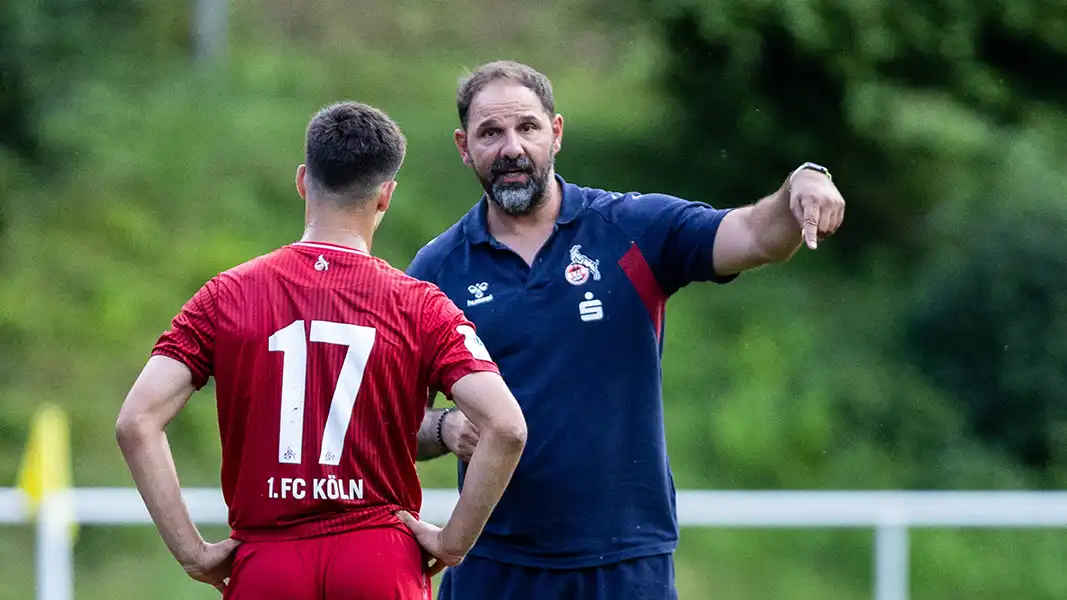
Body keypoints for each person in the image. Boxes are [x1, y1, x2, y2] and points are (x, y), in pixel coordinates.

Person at [406, 61, 846, 600]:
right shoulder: (437, 270)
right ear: (463, 145)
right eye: (490, 133)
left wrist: (802, 182)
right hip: (494, 564)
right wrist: (447, 428)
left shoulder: (631, 228)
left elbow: (756, 235)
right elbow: (395, 425)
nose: (511, 148)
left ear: (557, 132)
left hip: (625, 563)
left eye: (527, 127)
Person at [115, 100, 528, 600]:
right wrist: (453, 542)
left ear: (303, 181)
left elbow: (136, 421)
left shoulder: (227, 295)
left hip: (268, 560)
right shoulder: (420, 305)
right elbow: (505, 426)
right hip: (378, 557)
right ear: (385, 197)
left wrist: (192, 552)